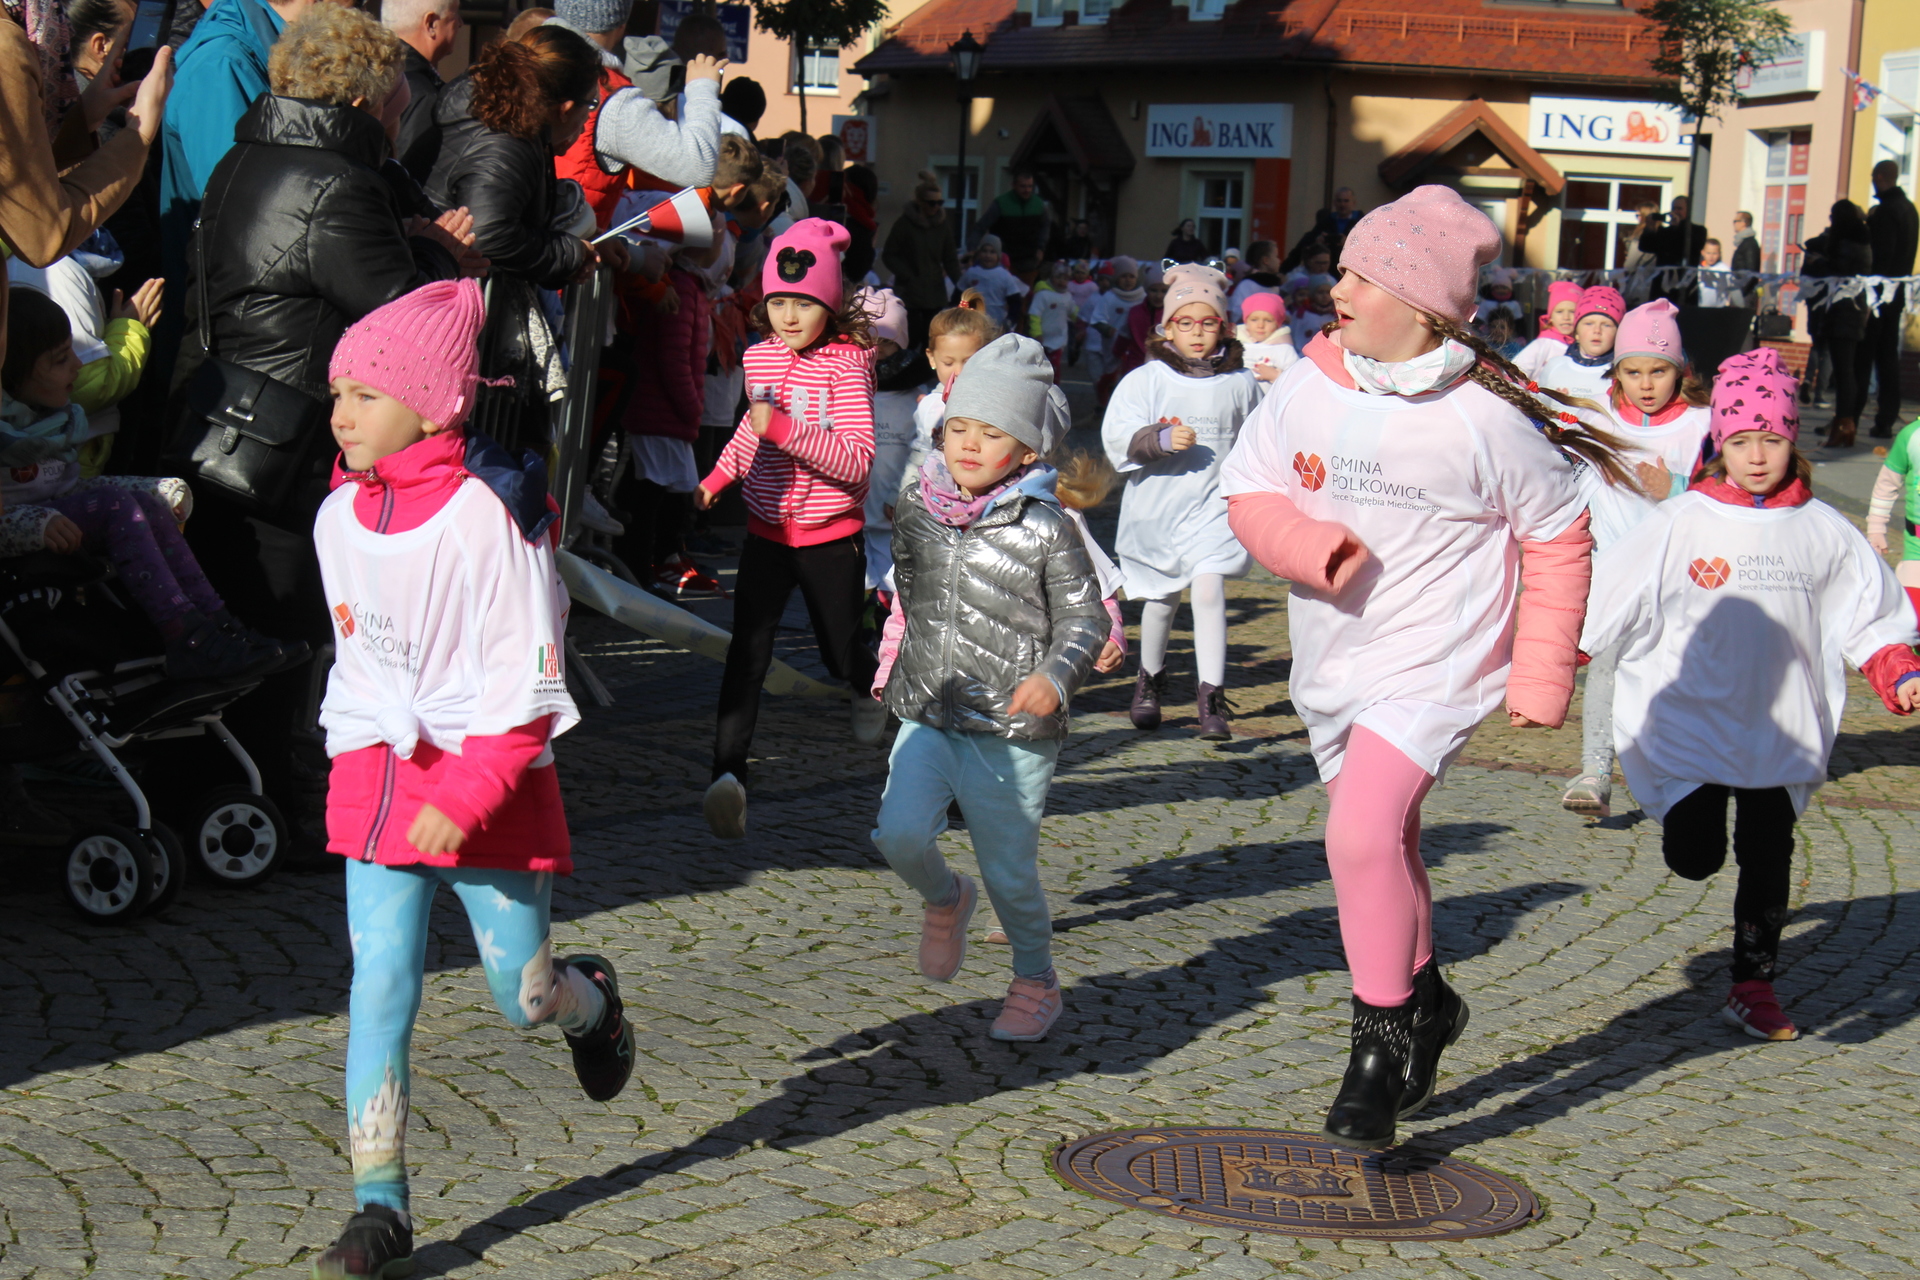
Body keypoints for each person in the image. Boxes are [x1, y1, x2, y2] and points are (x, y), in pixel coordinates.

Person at [1220, 184, 1627, 1149]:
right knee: (1386, 841)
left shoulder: (1488, 422)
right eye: (1346, 269)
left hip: (1435, 661)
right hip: (1335, 656)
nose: (1340, 289)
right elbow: (1247, 490)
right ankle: (1430, 1000)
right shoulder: (1309, 387)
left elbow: (1561, 535)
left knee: (1357, 837)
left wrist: (1540, 675)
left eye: (1364, 276)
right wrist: (1304, 545)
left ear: (1425, 305)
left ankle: (1378, 1047)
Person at [307, 279, 635, 1278]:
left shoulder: (489, 521)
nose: (341, 411)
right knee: (380, 986)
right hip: (379, 775)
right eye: (337, 392)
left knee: (520, 994)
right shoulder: (334, 518)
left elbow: (526, 683)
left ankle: (594, 1003)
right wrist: (367, 766)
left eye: (365, 392)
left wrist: (464, 792)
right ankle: (379, 1204)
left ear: (434, 401)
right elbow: (360, 666)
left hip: (485, 783)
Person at [183, 2, 473, 848]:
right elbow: (398, 319)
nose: (400, 110)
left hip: (228, 412)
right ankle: (279, 799)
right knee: (289, 624)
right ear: (362, 97)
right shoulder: (337, 182)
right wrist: (438, 254)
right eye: (391, 96)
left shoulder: (249, 154)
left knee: (246, 615)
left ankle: (238, 787)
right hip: (291, 433)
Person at [1580, 348, 1920, 1044]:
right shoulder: (1681, 521)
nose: (1757, 456)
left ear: (1792, 440)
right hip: (1693, 727)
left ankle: (1753, 984)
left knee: (1769, 856)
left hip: (1781, 729)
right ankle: (1682, 824)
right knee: (1696, 857)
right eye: (1741, 442)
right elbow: (1610, 595)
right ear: (1719, 446)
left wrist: (1896, 667)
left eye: (1771, 439)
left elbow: (1868, 610)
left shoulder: (1823, 528)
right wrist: (1556, 660)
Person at [868, 334, 1106, 1042]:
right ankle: (946, 898)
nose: (969, 445)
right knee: (899, 835)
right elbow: (908, 599)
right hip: (930, 708)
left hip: (1013, 731)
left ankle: (1035, 980)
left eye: (992, 433)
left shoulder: (1048, 528)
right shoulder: (916, 507)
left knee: (1009, 873)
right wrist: (892, 667)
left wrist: (1054, 677)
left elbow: (1085, 618)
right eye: (959, 428)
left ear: (1028, 450)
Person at [696, 220, 884, 838]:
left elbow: (857, 464)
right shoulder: (759, 358)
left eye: (804, 302)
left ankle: (864, 679)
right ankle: (728, 777)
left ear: (829, 303)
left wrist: (787, 432)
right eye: (778, 301)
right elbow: (751, 430)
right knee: (745, 655)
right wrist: (720, 477)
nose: (789, 315)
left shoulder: (847, 367)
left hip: (831, 534)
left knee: (837, 650)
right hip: (767, 531)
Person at [3, 287, 297, 678]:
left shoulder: (53, 422)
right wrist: (36, 523)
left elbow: (69, 490)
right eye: (60, 359)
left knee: (145, 504)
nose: (77, 365)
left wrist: (150, 491)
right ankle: (186, 636)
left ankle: (219, 626)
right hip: (21, 534)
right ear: (13, 374)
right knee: (114, 504)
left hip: (54, 518)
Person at [1559, 299, 1711, 819]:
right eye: (1633, 371)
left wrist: (1678, 487)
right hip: (1616, 574)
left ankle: (1676, 774)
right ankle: (1595, 770)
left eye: (1659, 370)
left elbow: (1728, 490)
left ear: (1680, 370)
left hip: (1681, 575)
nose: (1646, 383)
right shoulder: (1593, 418)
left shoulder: (1699, 424)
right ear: (1616, 371)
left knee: (1676, 674)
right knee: (1608, 665)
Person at [428, 22, 606, 448]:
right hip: (454, 319)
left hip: (447, 304)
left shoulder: (495, 109)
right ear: (563, 107)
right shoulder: (507, 139)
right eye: (590, 106)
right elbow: (490, 233)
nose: (587, 120)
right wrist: (566, 254)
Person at [1103, 264, 1260, 740]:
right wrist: (1159, 438)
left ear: (1224, 327)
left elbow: (1259, 437)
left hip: (1214, 507)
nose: (1197, 333)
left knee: (1209, 588)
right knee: (1161, 598)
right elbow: (1118, 434)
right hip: (1158, 510)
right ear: (1167, 327)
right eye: (1185, 323)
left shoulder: (1240, 383)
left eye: (1208, 322)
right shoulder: (1147, 379)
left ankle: (1212, 697)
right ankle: (1148, 681)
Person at [2, 0, 169, 360]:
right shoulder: (4, 47)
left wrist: (81, 121)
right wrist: (138, 134)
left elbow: (13, 180)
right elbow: (42, 233)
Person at [860, 287, 919, 588]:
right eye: (869, 340)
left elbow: (922, 453)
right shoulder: (848, 390)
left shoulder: (916, 398)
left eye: (887, 342)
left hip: (893, 510)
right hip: (852, 510)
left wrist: (908, 494)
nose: (878, 349)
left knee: (894, 586)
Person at [1801, 199, 1872, 449]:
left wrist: (1818, 262)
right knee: (1846, 371)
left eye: (1833, 216)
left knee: (1844, 371)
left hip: (1843, 311)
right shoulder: (1860, 239)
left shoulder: (1848, 242)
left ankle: (1844, 424)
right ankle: (1844, 424)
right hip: (1850, 310)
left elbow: (1839, 271)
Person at [1864, 160, 1919, 439]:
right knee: (1888, 356)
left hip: (1880, 293)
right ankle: (1886, 416)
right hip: (1897, 291)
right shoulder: (1909, 209)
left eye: (1874, 177)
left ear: (1881, 177)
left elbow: (1880, 256)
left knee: (1869, 356)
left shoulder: (1887, 211)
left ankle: (1852, 417)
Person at [382, 0, 460, 183]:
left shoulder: (373, 73)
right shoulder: (421, 93)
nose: (461, 23)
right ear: (431, 24)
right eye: (455, 14)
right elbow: (404, 176)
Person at [882, 170, 959, 351]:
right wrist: (906, 274)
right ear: (920, 202)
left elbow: (950, 258)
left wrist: (961, 284)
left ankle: (929, 374)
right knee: (911, 337)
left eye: (940, 202)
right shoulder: (905, 224)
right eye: (932, 203)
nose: (936, 207)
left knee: (933, 339)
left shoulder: (942, 226)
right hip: (911, 293)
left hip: (935, 292)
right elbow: (889, 254)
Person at [1867, 414, 1920, 619]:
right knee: (1912, 620)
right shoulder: (1912, 435)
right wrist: (1877, 528)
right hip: (1917, 550)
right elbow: (1886, 484)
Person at [1538, 285, 1624, 404]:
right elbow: (1540, 409)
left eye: (1606, 325)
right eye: (1589, 323)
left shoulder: (1620, 374)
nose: (1597, 330)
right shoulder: (1555, 366)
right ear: (1576, 333)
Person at [972, 169, 1050, 272]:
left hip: (1029, 259)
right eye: (1023, 186)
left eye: (1030, 186)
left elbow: (1045, 226)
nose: (1027, 190)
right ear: (1014, 185)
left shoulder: (1038, 204)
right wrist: (973, 250)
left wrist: (1041, 248)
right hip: (1003, 259)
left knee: (1026, 288)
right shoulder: (1001, 203)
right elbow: (980, 227)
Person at [1513, 280, 1580, 379]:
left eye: (1572, 311)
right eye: (1559, 311)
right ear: (1550, 316)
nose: (1566, 317)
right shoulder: (1543, 344)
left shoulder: (1583, 347)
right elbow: (1515, 373)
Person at [956, 234, 1025, 328]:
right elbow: (958, 296)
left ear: (998, 255)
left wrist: (1010, 320)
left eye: (992, 252)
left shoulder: (1004, 276)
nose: (988, 255)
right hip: (973, 324)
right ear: (979, 253)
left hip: (997, 324)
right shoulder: (971, 273)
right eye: (984, 251)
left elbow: (1015, 302)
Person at [1027, 260, 1075, 382]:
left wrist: (1082, 320)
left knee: (1054, 368)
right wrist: (1036, 333)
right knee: (1040, 368)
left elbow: (1073, 312)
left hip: (1059, 339)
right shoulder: (1043, 295)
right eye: (1058, 277)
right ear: (1052, 276)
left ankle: (1054, 391)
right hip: (1042, 339)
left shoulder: (1067, 296)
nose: (1061, 281)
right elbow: (1034, 315)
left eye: (1065, 278)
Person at [1237, 291, 1295, 384]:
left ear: (1277, 323)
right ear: (1246, 321)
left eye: (1268, 320)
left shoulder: (1284, 350)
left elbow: (1297, 380)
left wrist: (1276, 376)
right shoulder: (1235, 346)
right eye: (1254, 320)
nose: (1260, 325)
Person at [1228, 239, 1282, 322]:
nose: (1279, 261)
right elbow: (1236, 317)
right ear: (1266, 260)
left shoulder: (1275, 286)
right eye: (1276, 256)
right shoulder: (1247, 285)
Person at [1695, 239, 1741, 308]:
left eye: (1714, 253)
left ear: (1719, 253)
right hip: (1700, 310)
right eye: (1708, 253)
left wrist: (1741, 308)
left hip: (1718, 311)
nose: (1711, 256)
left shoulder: (1725, 270)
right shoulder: (1698, 270)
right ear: (1702, 252)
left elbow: (1735, 291)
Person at [1729, 210, 1761, 276]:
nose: (1734, 224)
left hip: (1743, 284)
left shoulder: (1749, 244)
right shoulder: (1743, 242)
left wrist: (1742, 284)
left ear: (1744, 223)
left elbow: (1751, 270)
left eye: (1735, 221)